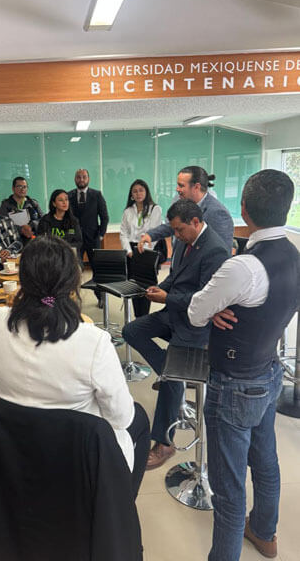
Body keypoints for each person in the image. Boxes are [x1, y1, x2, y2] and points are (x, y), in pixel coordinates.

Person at [0, 236, 150, 494]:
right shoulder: (93, 340)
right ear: (72, 282)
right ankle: (121, 506)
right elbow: (121, 417)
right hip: (77, 458)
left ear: (22, 279)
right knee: (139, 419)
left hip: (16, 446)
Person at [187, 170, 299, 560]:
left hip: (233, 385)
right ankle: (265, 534)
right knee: (266, 462)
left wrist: (216, 307)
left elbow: (196, 311)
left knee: (229, 490)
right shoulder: (294, 256)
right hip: (269, 372)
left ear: (244, 209)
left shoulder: (243, 267)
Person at [121, 199, 230, 471]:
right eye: (174, 230)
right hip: (173, 314)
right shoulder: (184, 240)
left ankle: (164, 443)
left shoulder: (215, 250)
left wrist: (168, 297)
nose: (176, 235)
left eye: (179, 230)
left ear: (196, 222)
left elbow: (205, 299)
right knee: (131, 331)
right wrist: (160, 288)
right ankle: (171, 373)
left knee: (170, 378)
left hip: (195, 324)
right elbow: (175, 276)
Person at [138, 165, 234, 255]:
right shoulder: (183, 203)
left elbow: (222, 254)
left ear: (196, 187)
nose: (177, 189)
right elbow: (173, 225)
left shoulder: (217, 213)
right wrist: (151, 235)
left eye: (181, 185)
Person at [120, 179, 165, 317]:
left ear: (146, 192)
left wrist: (142, 252)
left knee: (146, 286)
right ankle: (137, 317)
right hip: (131, 251)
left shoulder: (155, 209)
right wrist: (128, 251)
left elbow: (154, 233)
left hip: (148, 251)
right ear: (131, 195)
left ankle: (143, 317)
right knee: (134, 286)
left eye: (141, 190)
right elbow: (123, 233)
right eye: (135, 191)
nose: (138, 193)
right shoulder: (128, 211)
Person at [67, 169, 109, 266]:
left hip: (93, 238)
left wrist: (101, 235)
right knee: (75, 268)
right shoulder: (68, 196)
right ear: (75, 179)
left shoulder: (97, 195)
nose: (81, 179)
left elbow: (104, 217)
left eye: (84, 177)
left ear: (88, 179)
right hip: (74, 239)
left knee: (97, 268)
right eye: (78, 177)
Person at [37, 189, 83, 254]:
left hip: (69, 254)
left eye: (66, 199)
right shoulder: (45, 220)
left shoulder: (74, 221)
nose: (64, 202)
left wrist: (64, 248)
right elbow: (40, 241)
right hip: (50, 254)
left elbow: (78, 242)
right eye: (61, 200)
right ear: (54, 204)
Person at [0, 176, 43, 243]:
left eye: (25, 187)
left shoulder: (33, 203)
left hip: (33, 239)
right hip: (14, 240)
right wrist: (21, 229)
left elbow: (43, 219)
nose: (22, 189)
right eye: (19, 186)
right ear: (13, 188)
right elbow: (2, 223)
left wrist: (31, 225)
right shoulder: (6, 204)